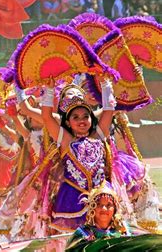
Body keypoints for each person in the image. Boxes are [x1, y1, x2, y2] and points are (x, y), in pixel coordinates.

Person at [41, 77, 116, 232]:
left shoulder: (98, 136)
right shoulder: (66, 140)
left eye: (85, 116)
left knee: (106, 235)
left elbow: (109, 111)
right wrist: (49, 90)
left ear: (91, 119)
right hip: (73, 197)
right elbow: (47, 117)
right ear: (68, 123)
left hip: (102, 197)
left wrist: (105, 83)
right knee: (79, 240)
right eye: (75, 117)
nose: (81, 120)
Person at [66, 182, 130, 248]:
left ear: (115, 209)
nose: (104, 209)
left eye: (109, 205)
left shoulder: (125, 230)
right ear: (92, 208)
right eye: (99, 204)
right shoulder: (82, 234)